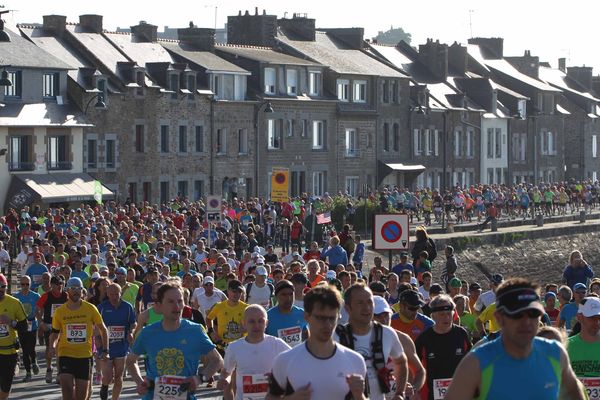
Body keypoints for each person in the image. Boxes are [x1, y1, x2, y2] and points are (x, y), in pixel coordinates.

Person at [445, 278, 585, 400]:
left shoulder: (555, 352)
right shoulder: (476, 363)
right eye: (517, 315)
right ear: (499, 318)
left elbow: (574, 390)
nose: (526, 321)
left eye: (533, 313)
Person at [126, 281, 224, 399]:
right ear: (160, 305)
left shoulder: (195, 330)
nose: (176, 307)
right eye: (170, 302)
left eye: (179, 301)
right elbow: (130, 361)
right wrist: (139, 382)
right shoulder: (148, 333)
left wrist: (199, 378)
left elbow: (217, 360)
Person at [266, 285, 367, 400]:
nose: (327, 325)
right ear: (306, 316)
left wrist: (360, 396)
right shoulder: (285, 360)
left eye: (331, 318)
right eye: (320, 318)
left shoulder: (355, 360)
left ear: (338, 317)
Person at [335, 283, 408, 400]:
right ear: (348, 308)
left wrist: (400, 392)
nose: (366, 308)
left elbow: (401, 362)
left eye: (369, 302)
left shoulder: (387, 333)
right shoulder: (336, 336)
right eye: (360, 303)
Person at [49, 277, 109, 400]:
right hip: (65, 355)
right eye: (73, 288)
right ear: (67, 291)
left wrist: (106, 350)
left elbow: (103, 329)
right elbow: (55, 334)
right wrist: (52, 346)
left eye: (79, 289)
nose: (76, 291)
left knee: (82, 396)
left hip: (84, 357)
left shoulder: (90, 308)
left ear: (82, 291)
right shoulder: (60, 312)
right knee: (67, 394)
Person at [217, 305, 291, 400]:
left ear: (266, 323)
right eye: (251, 321)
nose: (256, 325)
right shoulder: (234, 347)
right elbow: (227, 371)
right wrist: (223, 380)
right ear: (243, 323)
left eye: (261, 321)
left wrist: (279, 377)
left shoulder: (277, 344)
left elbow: (295, 364)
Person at [415, 294, 471, 400]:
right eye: (442, 314)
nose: (446, 318)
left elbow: (471, 360)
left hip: (459, 392)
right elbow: (413, 367)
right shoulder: (424, 338)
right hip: (431, 394)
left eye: (449, 314)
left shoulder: (461, 333)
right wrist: (415, 390)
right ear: (433, 316)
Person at [372, 295, 426, 399]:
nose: (384, 320)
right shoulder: (360, 340)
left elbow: (420, 371)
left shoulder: (403, 340)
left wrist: (413, 388)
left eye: (386, 315)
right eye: (379, 316)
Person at [97, 283, 137, 400]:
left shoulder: (127, 307)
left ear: (121, 293)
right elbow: (95, 326)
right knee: (108, 376)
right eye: (111, 294)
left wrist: (131, 331)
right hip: (106, 347)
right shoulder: (102, 307)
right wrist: (97, 340)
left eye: (117, 294)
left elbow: (133, 323)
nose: (114, 297)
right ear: (107, 294)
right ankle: (104, 386)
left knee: (119, 376)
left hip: (122, 346)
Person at [0, 273, 28, 399]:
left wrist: (11, 322)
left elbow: (24, 326)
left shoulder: (14, 303)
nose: (0, 289)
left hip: (9, 352)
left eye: (3, 286)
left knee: (6, 387)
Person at [36, 274, 68, 383]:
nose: (60, 286)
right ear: (52, 285)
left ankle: (59, 373)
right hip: (49, 325)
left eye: (62, 284)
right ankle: (49, 368)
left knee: (60, 349)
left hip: (62, 327)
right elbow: (38, 309)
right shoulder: (46, 296)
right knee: (49, 349)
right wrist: (41, 323)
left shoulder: (66, 296)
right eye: (57, 284)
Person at [206, 280, 249, 354]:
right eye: (234, 291)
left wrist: (247, 329)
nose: (237, 294)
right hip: (222, 347)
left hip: (241, 347)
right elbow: (208, 318)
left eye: (239, 291)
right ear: (228, 291)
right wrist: (211, 332)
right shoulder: (219, 306)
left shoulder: (247, 308)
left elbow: (252, 324)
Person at [266, 280, 308, 347]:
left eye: (291, 294)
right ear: (276, 296)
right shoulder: (267, 317)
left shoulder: (302, 314)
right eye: (284, 295)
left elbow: (307, 338)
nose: (288, 298)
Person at [14, 275, 40, 382]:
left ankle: (34, 361)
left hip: (32, 324)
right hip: (21, 325)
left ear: (30, 284)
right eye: (23, 284)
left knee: (31, 347)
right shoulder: (16, 297)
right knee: (24, 349)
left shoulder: (36, 296)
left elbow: (39, 310)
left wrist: (40, 320)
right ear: (20, 285)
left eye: (27, 284)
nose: (25, 286)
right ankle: (28, 373)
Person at [567, 297, 600, 381]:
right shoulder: (566, 346)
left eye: (599, 318)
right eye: (592, 317)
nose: (597, 322)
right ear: (579, 317)